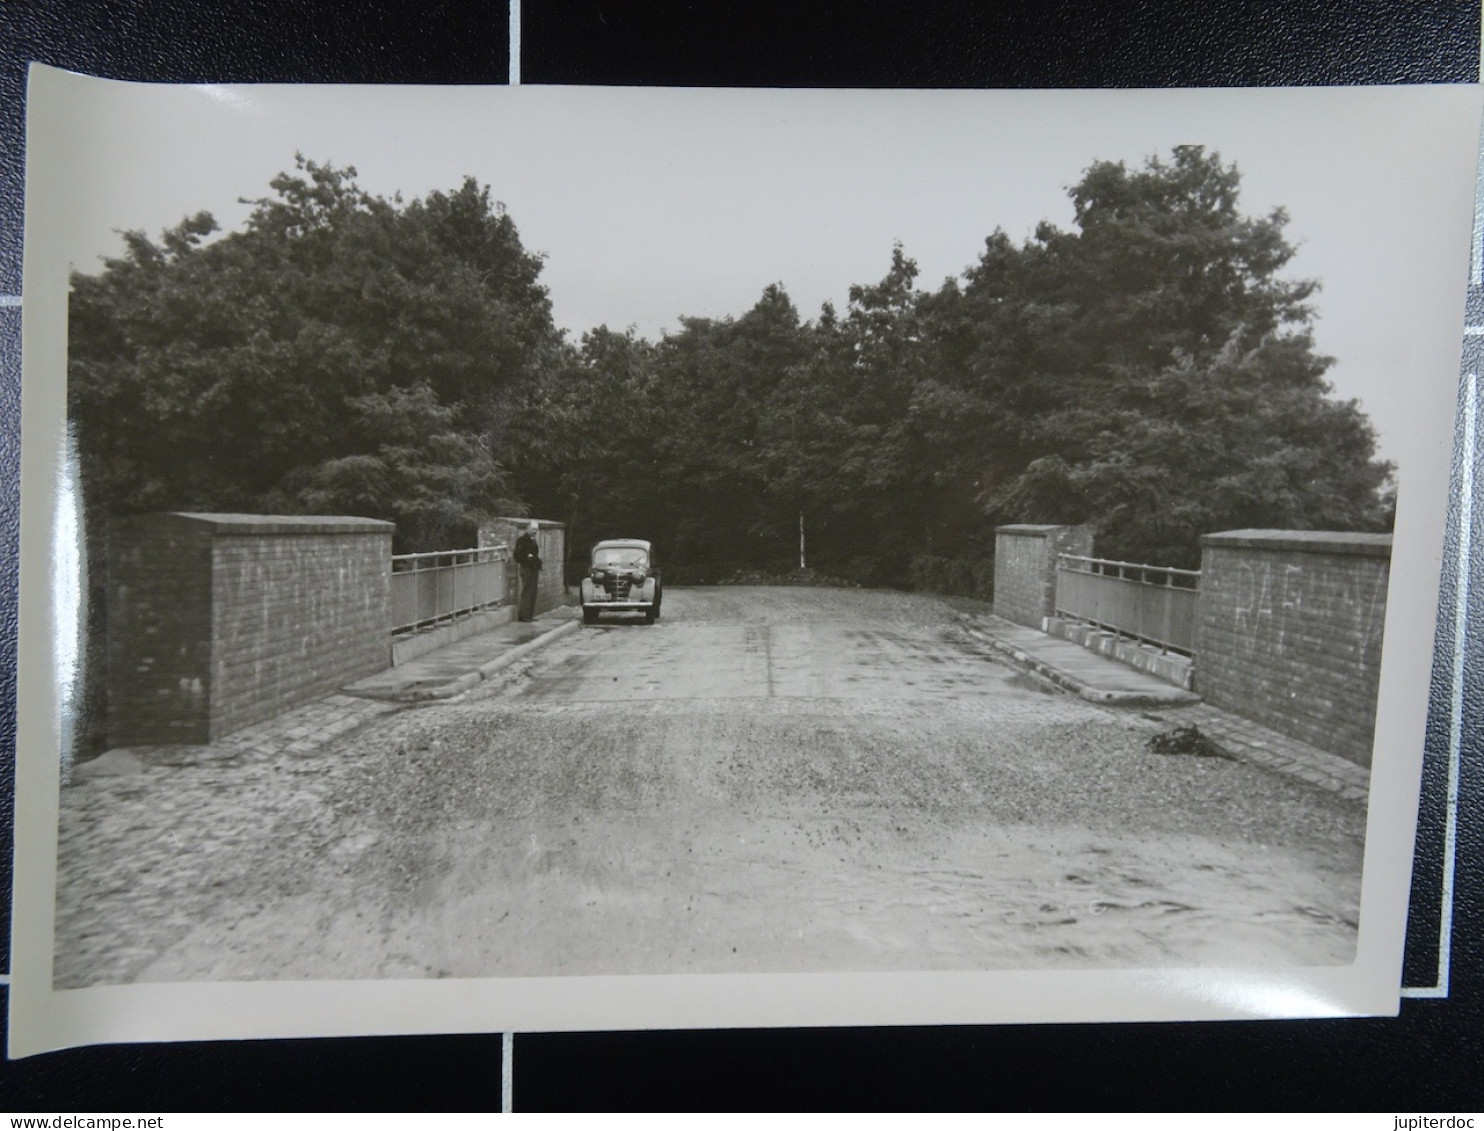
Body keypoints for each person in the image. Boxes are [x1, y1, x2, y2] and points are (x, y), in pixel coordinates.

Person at [514, 521, 542, 622]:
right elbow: (517, 555)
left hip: (534, 568)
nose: (534, 531)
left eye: (536, 530)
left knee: (533, 592)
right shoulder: (522, 540)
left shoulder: (533, 540)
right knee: (527, 591)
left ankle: (529, 615)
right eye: (533, 529)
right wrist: (527, 558)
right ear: (527, 529)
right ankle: (524, 616)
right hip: (527, 568)